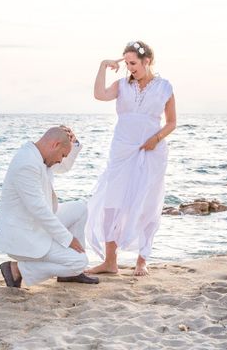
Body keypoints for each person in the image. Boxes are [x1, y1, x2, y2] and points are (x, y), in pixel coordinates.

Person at [86, 40, 177, 276]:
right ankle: (110, 261)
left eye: (133, 63)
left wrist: (155, 139)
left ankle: (142, 259)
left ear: (147, 61)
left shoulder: (164, 87)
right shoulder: (121, 86)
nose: (130, 68)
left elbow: (172, 122)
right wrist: (102, 66)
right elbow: (99, 94)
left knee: (147, 201)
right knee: (111, 202)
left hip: (151, 151)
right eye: (126, 63)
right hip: (122, 149)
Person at [0, 126, 99, 287]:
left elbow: (63, 167)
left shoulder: (40, 155)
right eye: (62, 155)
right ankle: (17, 269)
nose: (60, 160)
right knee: (79, 261)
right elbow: (39, 211)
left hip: (35, 225)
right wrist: (68, 239)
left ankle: (69, 275)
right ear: (55, 145)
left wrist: (73, 143)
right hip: (24, 235)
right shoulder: (26, 164)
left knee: (80, 208)